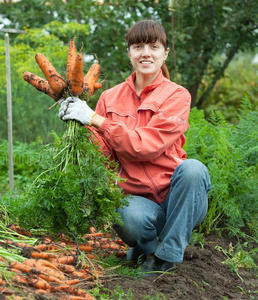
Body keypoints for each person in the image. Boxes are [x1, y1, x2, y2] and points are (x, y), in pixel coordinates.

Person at [58, 20, 210, 276]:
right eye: (138, 46)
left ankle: (165, 258)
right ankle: (148, 247)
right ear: (129, 52)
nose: (146, 53)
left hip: (177, 198)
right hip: (137, 199)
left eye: (154, 46)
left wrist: (96, 119)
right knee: (126, 216)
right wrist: (81, 123)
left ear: (165, 53)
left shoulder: (178, 96)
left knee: (193, 170)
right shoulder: (110, 97)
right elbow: (105, 155)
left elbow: (146, 146)